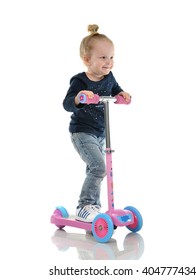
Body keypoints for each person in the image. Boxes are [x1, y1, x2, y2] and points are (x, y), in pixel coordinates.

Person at [63, 24, 131, 223]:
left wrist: (122, 95)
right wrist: (80, 97)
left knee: (97, 169)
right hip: (82, 132)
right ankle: (84, 206)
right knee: (99, 167)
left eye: (111, 57)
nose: (108, 62)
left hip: (101, 133)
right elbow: (67, 104)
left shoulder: (109, 78)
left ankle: (95, 207)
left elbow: (117, 89)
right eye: (103, 57)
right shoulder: (80, 81)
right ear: (87, 60)